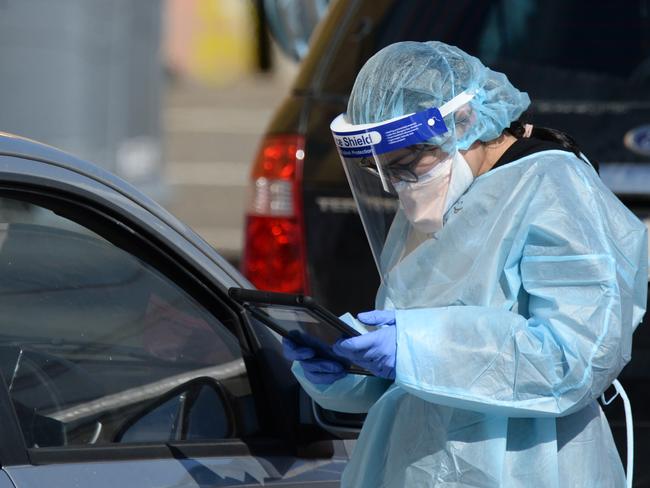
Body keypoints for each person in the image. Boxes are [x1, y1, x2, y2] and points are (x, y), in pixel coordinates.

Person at [283, 41, 648, 487]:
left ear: (464, 121)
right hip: (417, 461)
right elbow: (413, 374)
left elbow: (576, 359)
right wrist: (350, 367)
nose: (399, 184)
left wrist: (416, 348)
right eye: (384, 172)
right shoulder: (443, 193)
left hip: (528, 465)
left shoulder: (553, 185)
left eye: (406, 163)